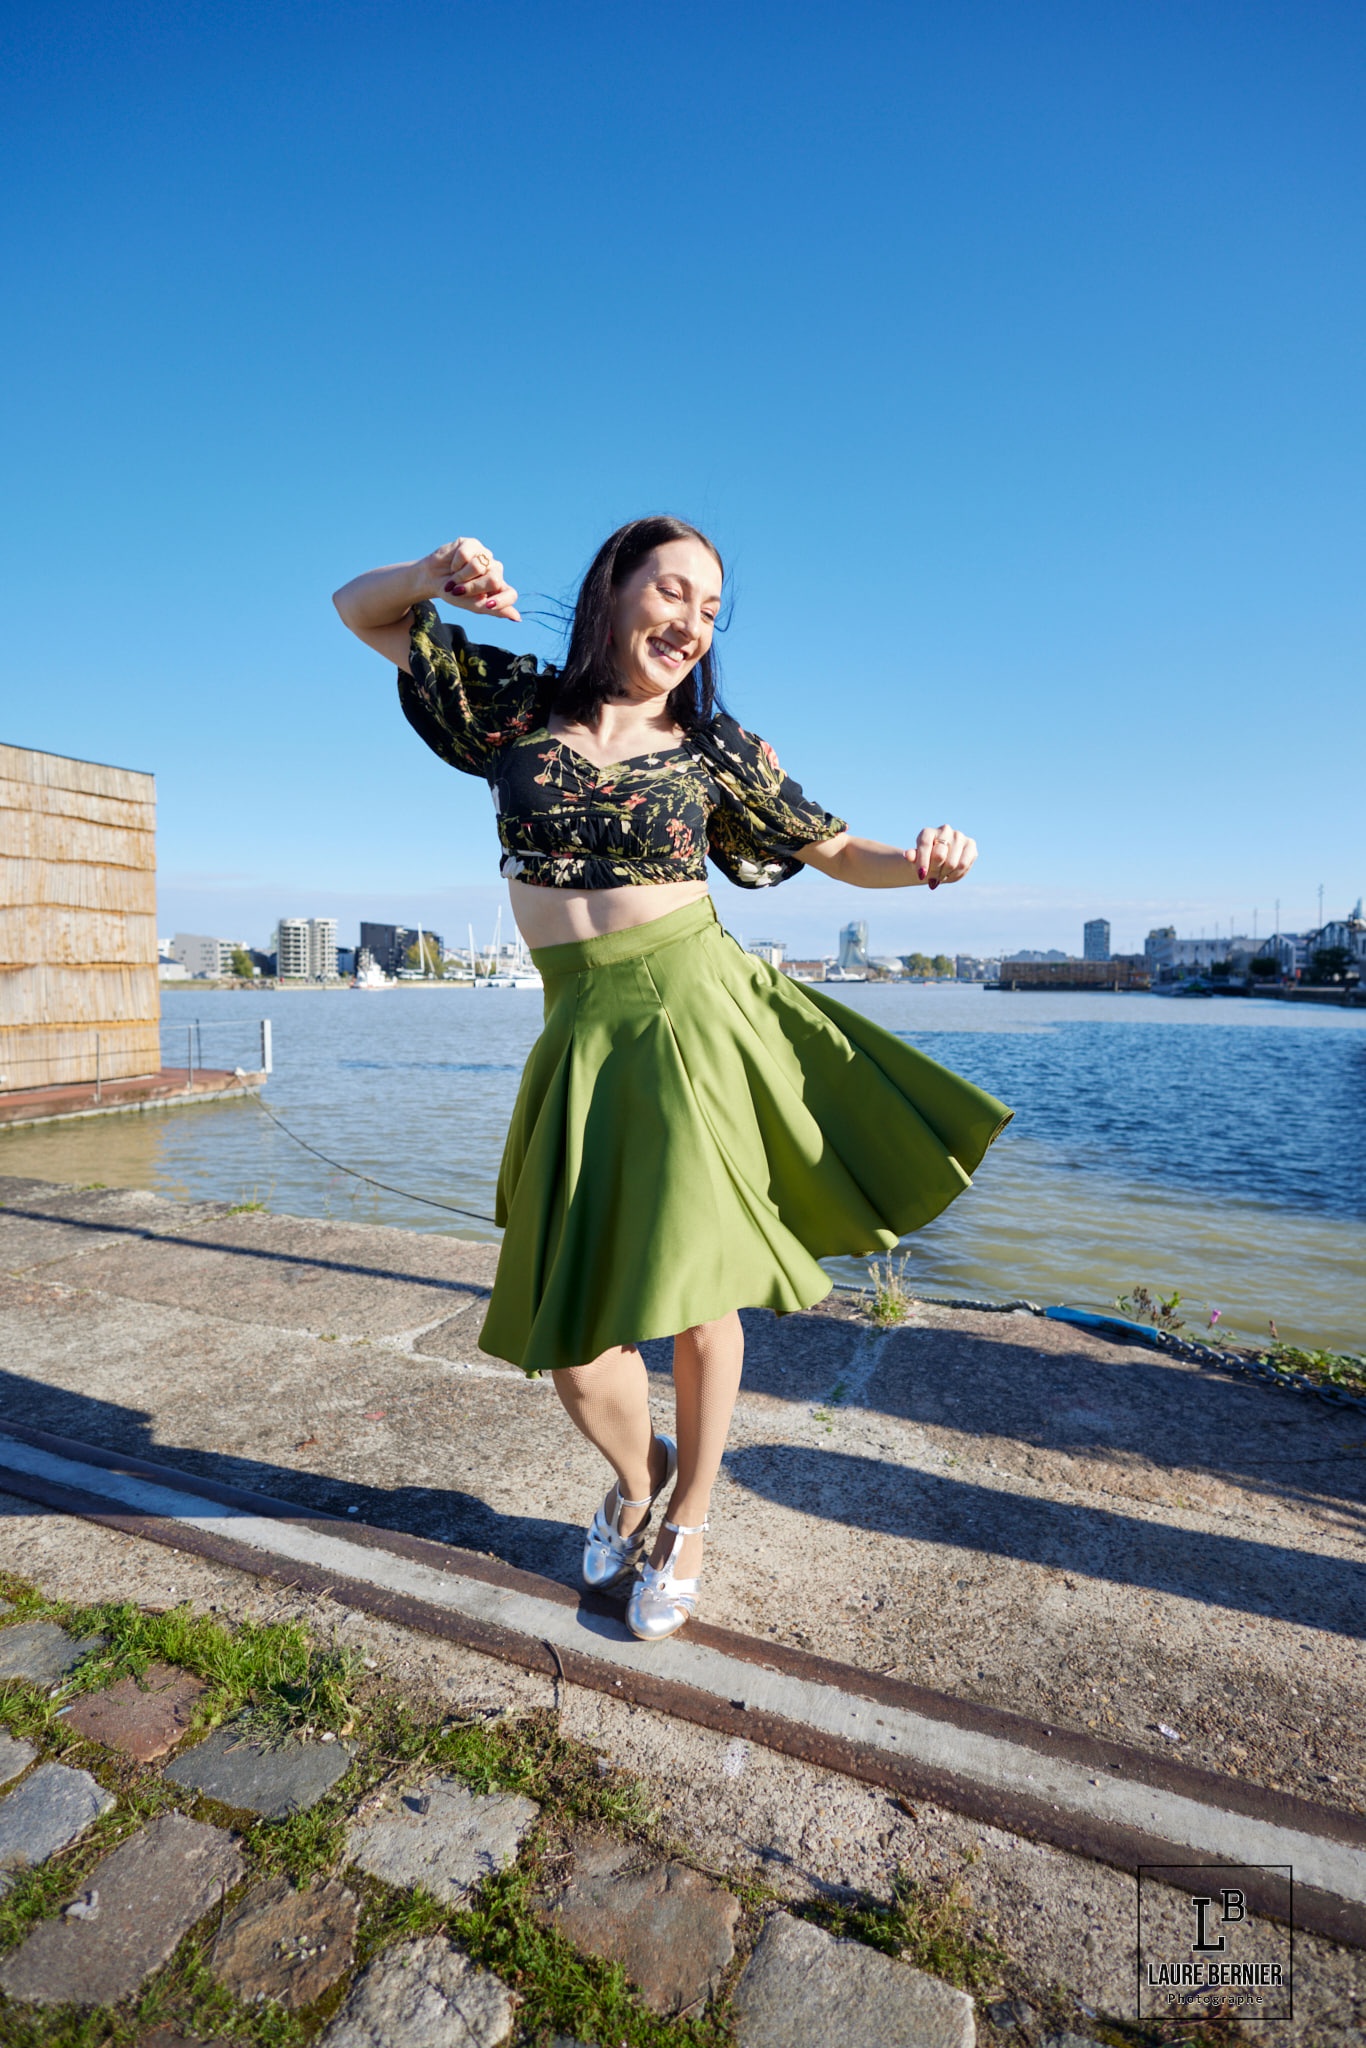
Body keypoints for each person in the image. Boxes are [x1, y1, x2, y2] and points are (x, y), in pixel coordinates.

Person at [333, 516, 1011, 1643]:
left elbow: (836, 850)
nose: (693, 624)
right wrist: (429, 578)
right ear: (614, 589)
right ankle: (640, 1474)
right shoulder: (517, 706)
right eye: (674, 593)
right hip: (579, 1029)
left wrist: (928, 860)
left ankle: (688, 1519)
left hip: (693, 1009)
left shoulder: (714, 747)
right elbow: (364, 610)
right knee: (567, 1319)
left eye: (710, 609)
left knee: (700, 1291)